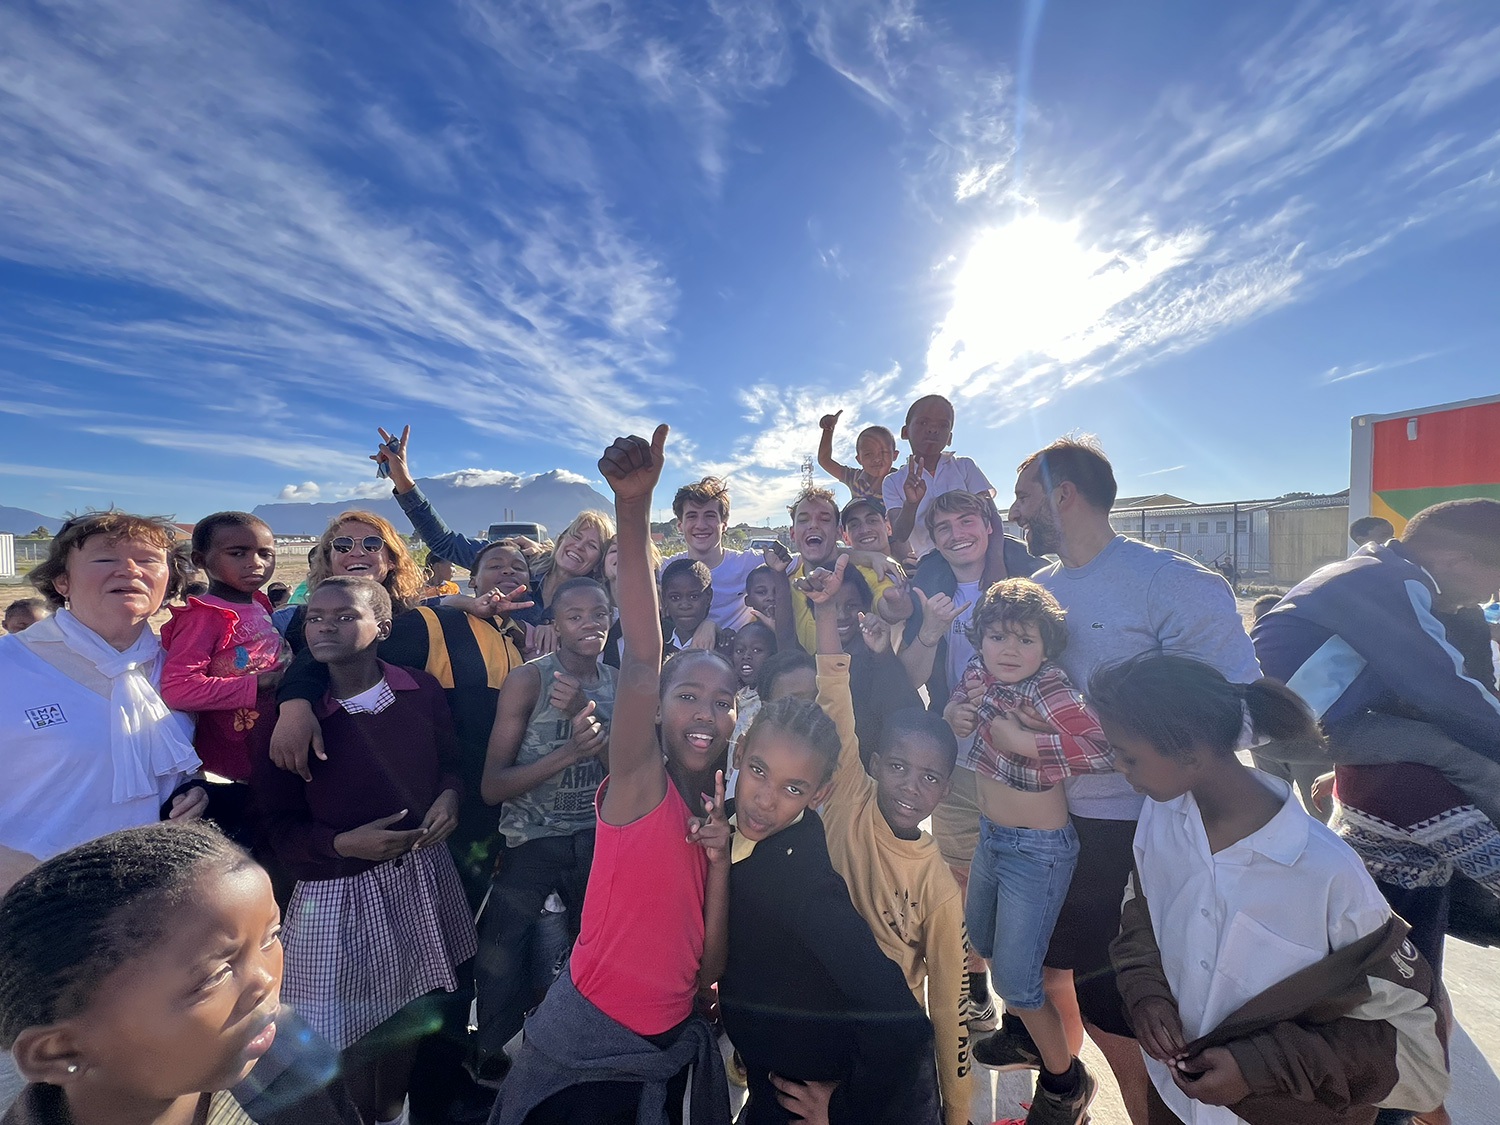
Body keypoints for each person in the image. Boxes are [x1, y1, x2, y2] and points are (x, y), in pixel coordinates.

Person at [996, 436, 1260, 1125]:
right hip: (1055, 826)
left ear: (1062, 493)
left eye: (1024, 493)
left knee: (1136, 1000)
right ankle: (1065, 1096)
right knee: (1066, 977)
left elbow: (1241, 714)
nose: (1014, 508)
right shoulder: (1041, 594)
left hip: (1145, 834)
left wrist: (1124, 757)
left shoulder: (1173, 584)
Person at [488, 424, 732, 1125]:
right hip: (588, 1038)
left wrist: (718, 861)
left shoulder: (714, 807)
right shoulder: (638, 784)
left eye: (723, 701)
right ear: (656, 708)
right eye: (688, 696)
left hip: (664, 1045)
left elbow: (706, 965)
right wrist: (631, 506)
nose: (705, 713)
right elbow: (647, 658)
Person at [1095, 656, 1450, 1125]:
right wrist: (1147, 994)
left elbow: (1415, 1050)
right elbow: (1140, 913)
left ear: (1191, 754)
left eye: (1128, 755)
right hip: (1175, 1101)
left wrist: (1256, 1068)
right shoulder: (1162, 815)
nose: (1114, 765)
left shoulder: (1326, 871)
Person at [252, 578, 476, 1125]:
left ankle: (391, 1113)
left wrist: (450, 795)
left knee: (407, 1013)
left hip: (420, 876)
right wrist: (339, 845)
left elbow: (450, 761)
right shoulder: (284, 719)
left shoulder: (419, 691)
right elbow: (276, 828)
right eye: (315, 618)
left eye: (344, 616)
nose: (325, 626)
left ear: (382, 626)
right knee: (336, 1033)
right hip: (335, 892)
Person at [1251, 498, 1500, 984]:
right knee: (1450, 749)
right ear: (1458, 559)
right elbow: (1444, 685)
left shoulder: (1374, 569)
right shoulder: (1389, 583)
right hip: (1296, 725)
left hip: (1303, 719)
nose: (1494, 592)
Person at [720, 591, 939, 1125]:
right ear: (741, 753)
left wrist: (845, 1109)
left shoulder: (802, 883)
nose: (766, 800)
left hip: (808, 1092)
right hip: (772, 1071)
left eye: (794, 789)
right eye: (759, 773)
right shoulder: (733, 826)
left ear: (819, 794)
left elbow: (902, 1020)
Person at [0, 822, 362, 1125]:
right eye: (213, 976)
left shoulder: (293, 1065)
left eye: (270, 936)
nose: (264, 981)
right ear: (60, 1052)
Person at [803, 559, 972, 1125]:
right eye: (897, 766)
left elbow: (949, 1008)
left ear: (945, 791)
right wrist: (827, 611)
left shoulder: (939, 890)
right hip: (816, 1012)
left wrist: (960, 1112)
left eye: (929, 778)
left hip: (888, 1042)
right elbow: (833, 689)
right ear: (874, 763)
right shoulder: (850, 790)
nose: (909, 786)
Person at [943, 578, 1114, 1125]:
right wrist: (953, 717)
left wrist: (1028, 744)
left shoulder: (1050, 689)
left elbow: (1105, 748)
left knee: (1017, 981)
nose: (1008, 650)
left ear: (1046, 647)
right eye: (996, 637)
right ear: (979, 641)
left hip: (1037, 851)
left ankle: (1066, 1084)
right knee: (985, 942)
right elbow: (959, 702)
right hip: (992, 836)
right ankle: (1023, 1034)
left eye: (1024, 640)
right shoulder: (977, 673)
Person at [898, 490, 1044, 1033]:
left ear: (989, 525)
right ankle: (976, 982)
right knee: (963, 876)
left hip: (1023, 763)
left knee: (1023, 877)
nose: (957, 533)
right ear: (932, 539)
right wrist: (931, 633)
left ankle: (1025, 999)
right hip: (958, 761)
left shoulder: (1033, 579)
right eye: (943, 527)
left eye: (968, 520)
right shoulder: (926, 589)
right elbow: (910, 677)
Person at [0, 512, 208, 891]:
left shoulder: (177, 671)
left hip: (155, 899)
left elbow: (178, 764)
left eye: (148, 560)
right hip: (33, 907)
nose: (129, 570)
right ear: (62, 581)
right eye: (105, 559)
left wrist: (195, 791)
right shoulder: (10, 664)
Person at [474, 577, 617, 1080]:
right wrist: (569, 752)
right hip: (532, 838)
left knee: (590, 952)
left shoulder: (617, 684)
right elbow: (493, 786)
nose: (590, 624)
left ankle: (574, 1052)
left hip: (597, 840)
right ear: (555, 625)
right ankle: (489, 1054)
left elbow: (629, 775)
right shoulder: (529, 680)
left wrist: (585, 716)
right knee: (502, 950)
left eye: (599, 613)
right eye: (575, 615)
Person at [368, 425, 605, 634]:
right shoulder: (515, 560)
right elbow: (445, 543)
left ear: (599, 560)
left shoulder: (597, 598)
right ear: (562, 538)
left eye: (592, 545)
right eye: (576, 536)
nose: (579, 547)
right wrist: (403, 481)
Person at [159, 512, 288, 784]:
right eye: (238, 553)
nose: (256, 563)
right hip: (239, 759)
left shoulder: (258, 603)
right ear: (200, 560)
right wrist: (260, 683)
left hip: (277, 739)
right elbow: (179, 689)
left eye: (265, 554)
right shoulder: (204, 617)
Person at [815, 562, 922, 765]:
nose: (841, 615)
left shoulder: (876, 659)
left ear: (865, 607)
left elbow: (905, 713)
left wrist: (884, 654)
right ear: (816, 611)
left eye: (851, 605)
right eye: (832, 606)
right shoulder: (814, 661)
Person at [780, 487, 906, 655]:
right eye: (803, 520)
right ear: (793, 533)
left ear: (838, 532)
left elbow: (890, 609)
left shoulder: (869, 574)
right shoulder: (785, 583)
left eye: (824, 519)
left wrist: (897, 604)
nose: (813, 525)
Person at [883, 395, 993, 561]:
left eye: (943, 425)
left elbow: (991, 515)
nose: (933, 430)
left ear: (949, 438)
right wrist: (911, 504)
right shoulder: (893, 481)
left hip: (979, 552)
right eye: (923, 422)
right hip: (932, 559)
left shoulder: (964, 467)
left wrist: (996, 559)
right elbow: (900, 534)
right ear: (905, 432)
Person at [660, 477, 766, 631]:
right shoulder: (665, 570)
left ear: (724, 524)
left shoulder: (748, 563)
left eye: (709, 515)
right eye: (692, 516)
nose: (701, 525)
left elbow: (802, 560)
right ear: (679, 525)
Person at [816, 411, 898, 505]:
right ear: (859, 459)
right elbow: (824, 461)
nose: (877, 459)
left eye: (883, 452)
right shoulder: (854, 478)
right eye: (868, 454)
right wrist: (828, 430)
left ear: (894, 455)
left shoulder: (901, 480)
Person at [659, 558, 728, 655]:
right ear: (664, 599)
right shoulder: (655, 639)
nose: (685, 605)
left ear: (709, 597)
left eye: (694, 597)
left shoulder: (723, 644)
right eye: (675, 597)